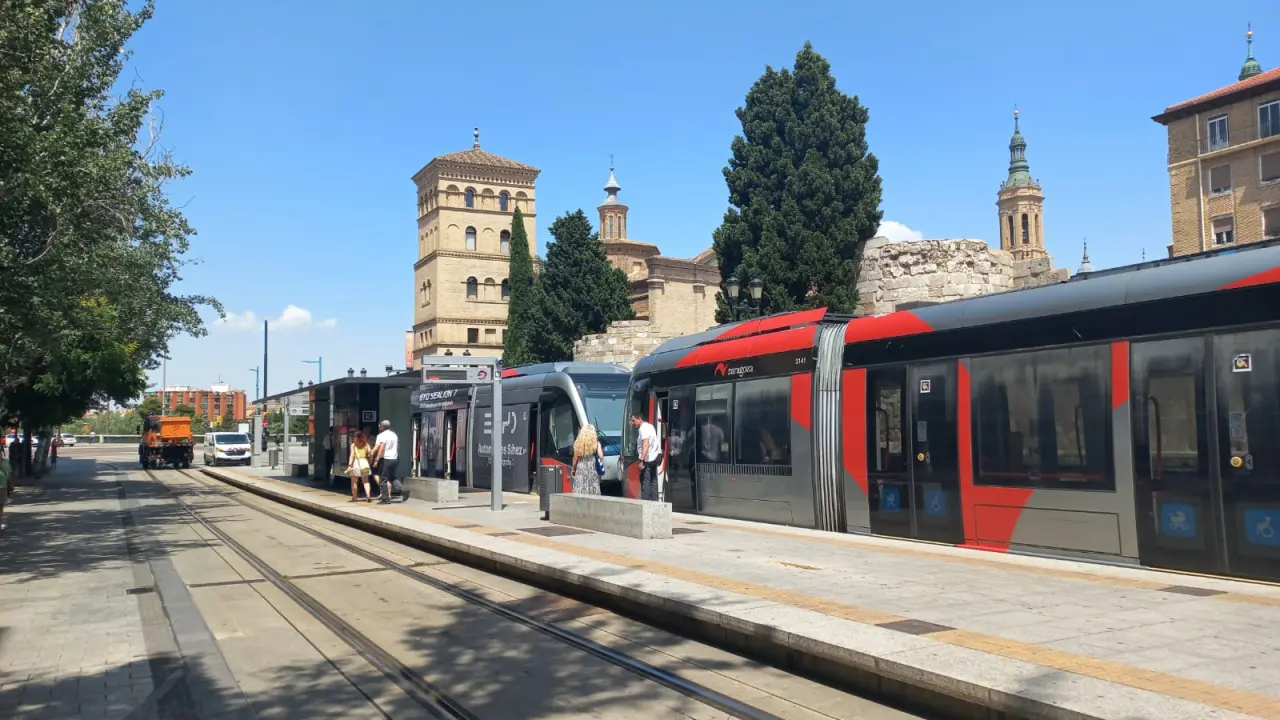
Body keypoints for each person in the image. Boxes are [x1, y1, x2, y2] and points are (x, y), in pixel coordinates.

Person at [372, 420, 405, 504]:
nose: (379, 427)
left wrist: (376, 459)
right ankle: (403, 490)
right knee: (391, 477)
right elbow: (397, 446)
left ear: (382, 426)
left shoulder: (381, 435)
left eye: (380, 425)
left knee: (383, 479)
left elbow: (381, 447)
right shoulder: (394, 435)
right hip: (395, 458)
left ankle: (385, 499)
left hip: (386, 459)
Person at [631, 411, 661, 501]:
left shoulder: (642, 429)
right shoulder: (650, 426)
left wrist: (641, 460)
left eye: (633, 420)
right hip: (654, 458)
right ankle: (655, 503)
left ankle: (646, 504)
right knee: (653, 482)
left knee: (645, 483)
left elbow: (645, 444)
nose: (632, 423)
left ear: (639, 419)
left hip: (647, 459)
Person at [570, 425, 604, 495]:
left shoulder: (578, 443)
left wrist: (573, 469)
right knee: (593, 486)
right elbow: (601, 456)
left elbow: (575, 458)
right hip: (592, 467)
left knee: (580, 486)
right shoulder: (596, 443)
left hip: (581, 467)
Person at [347, 432, 373, 502]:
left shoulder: (353, 445)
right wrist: (370, 462)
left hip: (356, 463)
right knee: (366, 482)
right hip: (365, 463)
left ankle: (355, 497)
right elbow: (370, 454)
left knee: (354, 482)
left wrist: (349, 465)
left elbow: (352, 455)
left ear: (356, 438)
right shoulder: (366, 444)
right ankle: (368, 495)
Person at [0, 445, 11, 531]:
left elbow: (9, 473)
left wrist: (11, 484)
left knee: (1, 505)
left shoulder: (6, 461)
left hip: (3, 487)